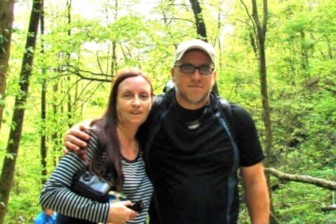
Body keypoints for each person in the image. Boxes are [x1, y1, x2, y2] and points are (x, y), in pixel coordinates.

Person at [64, 39, 270, 223]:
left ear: (213, 76)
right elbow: (117, 120)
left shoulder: (236, 119)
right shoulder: (152, 114)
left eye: (204, 68)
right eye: (187, 67)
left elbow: (254, 181)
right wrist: (83, 127)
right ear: (173, 73)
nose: (196, 76)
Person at [40, 68, 154, 223]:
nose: (136, 103)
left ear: (151, 102)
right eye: (127, 95)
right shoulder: (91, 139)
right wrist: (104, 213)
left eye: (143, 96)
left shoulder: (146, 142)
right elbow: (50, 194)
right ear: (115, 101)